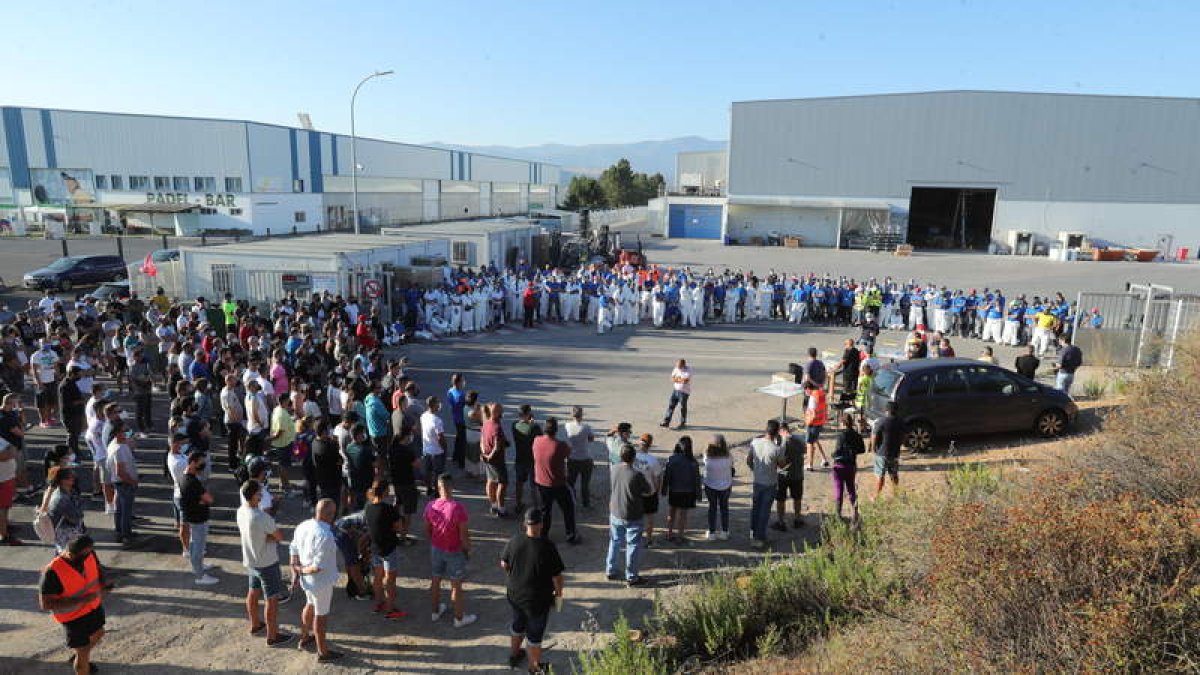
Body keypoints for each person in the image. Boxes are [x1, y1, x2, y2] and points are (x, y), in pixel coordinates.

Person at [501, 508, 565, 675]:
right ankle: (534, 668)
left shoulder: (514, 541)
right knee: (534, 635)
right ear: (542, 525)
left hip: (515, 595)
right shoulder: (547, 547)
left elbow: (504, 563)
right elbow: (557, 578)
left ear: (524, 524)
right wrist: (558, 595)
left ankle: (514, 655)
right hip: (538, 601)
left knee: (518, 624)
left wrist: (514, 575)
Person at [39, 535, 111, 675]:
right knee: (83, 652)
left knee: (99, 633)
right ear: (70, 554)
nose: (88, 556)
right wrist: (82, 600)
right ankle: (82, 665)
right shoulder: (52, 571)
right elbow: (45, 604)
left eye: (90, 552)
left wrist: (103, 582)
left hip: (93, 607)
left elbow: (96, 567)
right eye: (84, 555)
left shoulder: (88, 554)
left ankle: (79, 657)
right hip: (73, 617)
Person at [236, 479, 294, 647]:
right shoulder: (262, 517)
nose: (261, 494)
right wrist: (267, 537)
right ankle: (272, 635)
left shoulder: (241, 511)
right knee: (272, 599)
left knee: (253, 592)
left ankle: (255, 624)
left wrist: (264, 537)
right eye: (259, 492)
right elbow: (279, 537)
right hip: (267, 563)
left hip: (251, 561)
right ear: (253, 495)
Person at [290, 499, 344, 662]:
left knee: (309, 605)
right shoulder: (326, 536)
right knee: (321, 616)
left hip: (308, 582)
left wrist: (296, 569)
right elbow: (317, 567)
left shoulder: (303, 525)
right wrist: (300, 570)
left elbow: (293, 548)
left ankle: (305, 637)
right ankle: (323, 652)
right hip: (321, 582)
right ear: (331, 515)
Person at [424, 474, 477, 628]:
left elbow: (427, 528)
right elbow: (463, 535)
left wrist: (434, 540)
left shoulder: (430, 506)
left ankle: (435, 612)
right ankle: (459, 618)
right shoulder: (458, 508)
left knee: (435, 579)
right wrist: (468, 550)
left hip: (436, 548)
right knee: (456, 585)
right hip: (454, 550)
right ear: (451, 487)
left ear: (438, 487)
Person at [606, 443, 652, 586]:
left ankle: (611, 570)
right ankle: (631, 577)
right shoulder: (637, 475)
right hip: (632, 514)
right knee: (632, 545)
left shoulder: (614, 469)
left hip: (615, 511)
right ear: (633, 458)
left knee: (614, 541)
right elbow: (649, 491)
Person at [364, 480, 407, 620]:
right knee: (390, 580)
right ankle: (390, 610)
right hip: (388, 548)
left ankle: (379, 603)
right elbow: (399, 528)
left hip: (375, 548)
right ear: (384, 492)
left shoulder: (368, 507)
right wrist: (398, 513)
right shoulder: (389, 509)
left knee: (377, 577)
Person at [180, 450, 220, 586]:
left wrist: (202, 500)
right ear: (192, 463)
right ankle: (200, 575)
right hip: (198, 519)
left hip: (193, 517)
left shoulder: (185, 476)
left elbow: (203, 499)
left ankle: (199, 566)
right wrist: (203, 500)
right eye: (200, 463)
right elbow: (209, 499)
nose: (202, 466)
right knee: (198, 546)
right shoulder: (192, 482)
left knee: (194, 544)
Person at [747, 419, 785, 549]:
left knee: (756, 508)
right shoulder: (776, 449)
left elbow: (749, 460)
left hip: (757, 480)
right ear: (776, 433)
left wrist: (755, 469)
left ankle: (753, 532)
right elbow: (782, 465)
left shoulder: (755, 443)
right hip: (770, 482)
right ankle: (759, 537)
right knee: (764, 511)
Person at [661, 436, 701, 545]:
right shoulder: (693, 462)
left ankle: (669, 534)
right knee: (683, 515)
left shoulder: (672, 459)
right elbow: (697, 479)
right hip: (688, 492)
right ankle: (680, 537)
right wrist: (699, 495)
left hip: (674, 490)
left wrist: (664, 489)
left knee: (672, 512)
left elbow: (667, 475)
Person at [105, 421, 138, 547]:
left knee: (119, 508)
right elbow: (121, 472)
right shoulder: (119, 449)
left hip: (119, 483)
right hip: (125, 483)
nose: (128, 433)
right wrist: (132, 481)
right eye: (125, 431)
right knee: (126, 510)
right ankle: (126, 535)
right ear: (118, 433)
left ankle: (120, 531)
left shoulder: (115, 444)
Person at [831, 410, 865, 520]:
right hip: (851, 465)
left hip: (839, 466)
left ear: (843, 423)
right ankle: (855, 512)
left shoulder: (841, 436)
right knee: (851, 489)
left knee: (839, 489)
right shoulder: (857, 435)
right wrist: (852, 451)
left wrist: (833, 454)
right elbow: (862, 450)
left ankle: (838, 514)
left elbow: (837, 451)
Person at [43, 466, 86, 552]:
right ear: (63, 481)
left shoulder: (68, 492)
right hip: (66, 534)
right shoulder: (61, 498)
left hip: (67, 532)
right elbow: (75, 518)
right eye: (71, 476)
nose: (74, 477)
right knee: (68, 557)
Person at [773, 423, 806, 531]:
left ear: (782, 431)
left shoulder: (780, 443)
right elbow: (805, 450)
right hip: (797, 474)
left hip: (783, 475)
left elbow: (779, 461)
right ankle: (797, 519)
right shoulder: (799, 440)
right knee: (797, 498)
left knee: (780, 499)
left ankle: (781, 521)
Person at [632, 434, 664, 547]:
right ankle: (649, 540)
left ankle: (634, 539)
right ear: (650, 445)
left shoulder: (632, 457)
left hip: (635, 492)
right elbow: (658, 477)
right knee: (649, 519)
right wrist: (657, 491)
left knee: (636, 517)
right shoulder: (653, 460)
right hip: (649, 492)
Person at [480, 402, 510, 517]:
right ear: (496, 413)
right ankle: (501, 509)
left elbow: (482, 440)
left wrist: (484, 454)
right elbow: (497, 447)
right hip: (497, 461)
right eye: (501, 411)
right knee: (502, 483)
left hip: (487, 459)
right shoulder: (496, 427)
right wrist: (490, 457)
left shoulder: (486, 423)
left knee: (490, 481)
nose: (503, 413)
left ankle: (493, 506)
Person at [701, 435, 733, 541]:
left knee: (712, 508)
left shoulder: (707, 457)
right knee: (724, 508)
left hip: (710, 485)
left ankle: (712, 532)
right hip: (725, 486)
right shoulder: (728, 457)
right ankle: (724, 531)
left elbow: (704, 460)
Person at [563, 406, 595, 509]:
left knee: (571, 483)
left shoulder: (567, 426)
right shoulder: (586, 427)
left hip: (572, 458)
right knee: (585, 484)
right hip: (586, 458)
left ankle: (572, 500)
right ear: (582, 415)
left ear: (572, 415)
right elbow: (591, 439)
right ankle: (586, 503)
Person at [871, 401, 905, 500]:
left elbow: (874, 435)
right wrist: (900, 443)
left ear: (886, 410)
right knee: (894, 474)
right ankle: (896, 494)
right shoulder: (900, 421)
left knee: (880, 475)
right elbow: (905, 435)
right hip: (894, 453)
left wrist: (873, 448)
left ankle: (876, 496)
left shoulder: (881, 421)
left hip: (882, 453)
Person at [511, 405, 541, 513]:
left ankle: (518, 503)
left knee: (519, 482)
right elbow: (540, 439)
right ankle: (536, 506)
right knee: (534, 484)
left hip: (520, 458)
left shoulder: (514, 425)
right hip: (532, 459)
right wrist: (532, 424)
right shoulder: (534, 427)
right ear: (528, 414)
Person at [267, 394, 297, 496]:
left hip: (281, 443)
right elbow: (280, 432)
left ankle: (282, 483)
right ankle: (286, 486)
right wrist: (270, 439)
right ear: (284, 401)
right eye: (288, 401)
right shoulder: (282, 414)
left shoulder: (277, 410)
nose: (289, 403)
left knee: (281, 465)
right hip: (284, 443)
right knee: (284, 466)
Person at [345, 424, 379, 510]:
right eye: (362, 433)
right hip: (366, 482)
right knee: (366, 506)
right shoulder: (366, 450)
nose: (364, 434)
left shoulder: (348, 447)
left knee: (358, 504)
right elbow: (375, 464)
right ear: (358, 435)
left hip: (355, 481)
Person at [420, 397, 447, 497]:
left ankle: (428, 489)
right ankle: (437, 491)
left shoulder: (423, 416)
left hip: (426, 449)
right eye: (438, 403)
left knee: (428, 471)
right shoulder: (437, 421)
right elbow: (440, 437)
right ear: (434, 405)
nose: (439, 405)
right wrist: (444, 448)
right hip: (437, 451)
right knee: (438, 473)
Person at [803, 381, 829, 470]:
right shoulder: (820, 393)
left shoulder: (812, 398)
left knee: (809, 443)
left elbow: (813, 414)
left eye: (805, 391)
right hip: (820, 421)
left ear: (808, 389)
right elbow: (825, 406)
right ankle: (824, 459)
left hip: (813, 423)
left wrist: (808, 422)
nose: (805, 393)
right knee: (816, 440)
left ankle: (809, 465)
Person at [221, 373, 246, 469]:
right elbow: (230, 409)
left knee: (234, 444)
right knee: (233, 445)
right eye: (234, 380)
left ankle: (235, 461)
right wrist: (237, 421)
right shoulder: (227, 393)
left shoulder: (230, 390)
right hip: (232, 422)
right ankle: (232, 465)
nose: (236, 381)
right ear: (228, 381)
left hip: (235, 422)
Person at [660, 359, 692, 430]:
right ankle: (666, 421)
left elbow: (685, 381)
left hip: (684, 392)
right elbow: (672, 379)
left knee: (682, 408)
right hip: (675, 390)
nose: (678, 367)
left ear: (684, 365)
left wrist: (677, 379)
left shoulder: (688, 370)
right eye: (677, 365)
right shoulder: (676, 369)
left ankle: (683, 423)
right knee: (671, 406)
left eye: (680, 366)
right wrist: (679, 379)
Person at [0, 436, 19, 545]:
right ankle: (3, 535)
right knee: (2, 508)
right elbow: (4, 455)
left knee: (5, 506)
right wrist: (11, 451)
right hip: (2, 480)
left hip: (6, 478)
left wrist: (10, 450)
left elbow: (12, 447)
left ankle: (5, 527)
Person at [446, 373, 468, 471]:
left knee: (459, 437)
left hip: (455, 417)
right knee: (463, 440)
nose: (464, 382)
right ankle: (461, 461)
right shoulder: (461, 395)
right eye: (463, 380)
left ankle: (455, 456)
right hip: (462, 419)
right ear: (458, 382)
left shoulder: (450, 390)